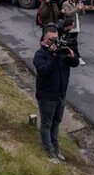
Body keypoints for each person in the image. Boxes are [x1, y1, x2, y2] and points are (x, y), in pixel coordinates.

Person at [33, 24, 79, 164]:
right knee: (47, 124)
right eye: (51, 38)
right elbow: (44, 72)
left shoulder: (62, 51)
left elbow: (75, 63)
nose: (55, 41)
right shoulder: (40, 54)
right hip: (47, 96)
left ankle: (56, 149)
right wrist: (53, 56)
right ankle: (49, 152)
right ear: (45, 39)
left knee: (56, 123)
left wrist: (71, 56)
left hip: (61, 94)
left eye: (56, 38)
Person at [61, 0, 86, 66]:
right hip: (70, 26)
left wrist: (82, 8)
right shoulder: (66, 4)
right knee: (72, 43)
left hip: (76, 26)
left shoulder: (78, 3)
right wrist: (77, 8)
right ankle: (78, 58)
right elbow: (68, 14)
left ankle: (71, 56)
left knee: (73, 42)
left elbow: (82, 14)